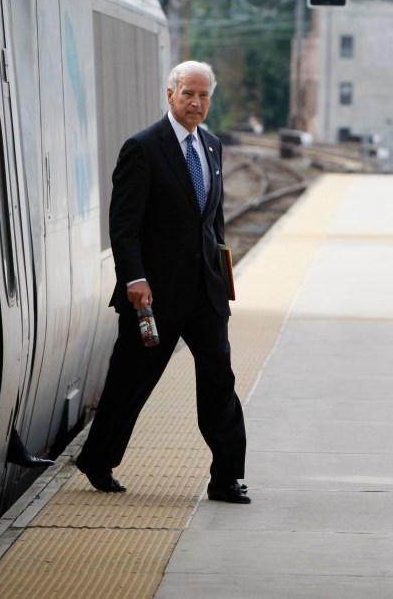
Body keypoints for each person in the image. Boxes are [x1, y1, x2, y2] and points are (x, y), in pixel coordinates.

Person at [75, 61, 249, 504]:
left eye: (204, 95)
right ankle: (98, 459)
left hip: (205, 294)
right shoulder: (143, 148)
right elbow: (124, 224)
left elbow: (214, 222)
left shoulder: (211, 146)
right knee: (131, 380)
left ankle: (226, 477)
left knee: (219, 382)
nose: (196, 102)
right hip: (152, 295)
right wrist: (133, 277)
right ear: (170, 95)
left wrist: (223, 277)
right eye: (188, 93)